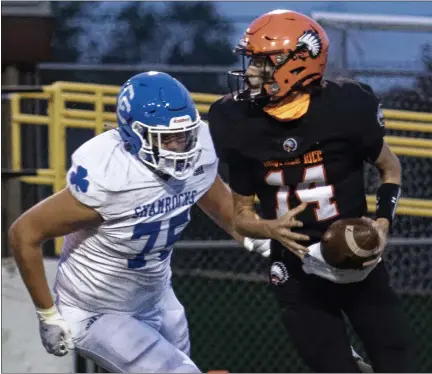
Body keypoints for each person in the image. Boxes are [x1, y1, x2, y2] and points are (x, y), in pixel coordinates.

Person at [8, 71, 271, 373]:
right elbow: (24, 233)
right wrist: (48, 315)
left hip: (157, 295)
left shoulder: (199, 150)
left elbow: (225, 210)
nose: (178, 147)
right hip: (98, 310)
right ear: (133, 135)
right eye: (165, 138)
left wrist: (272, 246)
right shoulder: (111, 178)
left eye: (183, 135)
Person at [208, 9, 412, 373]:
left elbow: (390, 167)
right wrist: (268, 228)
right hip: (295, 270)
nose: (251, 71)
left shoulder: (346, 106)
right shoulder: (236, 121)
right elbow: (242, 217)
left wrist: (382, 222)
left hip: (356, 259)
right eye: (251, 60)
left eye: (262, 61)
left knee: (397, 363)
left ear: (299, 63)